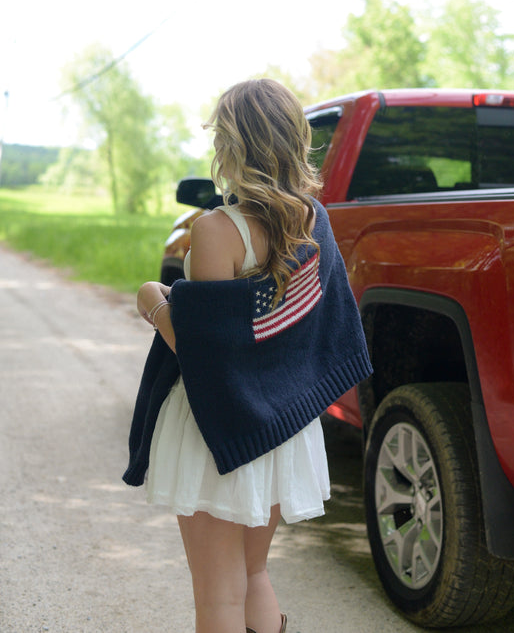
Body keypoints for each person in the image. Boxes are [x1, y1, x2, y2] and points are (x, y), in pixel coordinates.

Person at [123, 78, 372, 633]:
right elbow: (300, 330)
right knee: (254, 572)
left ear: (231, 146)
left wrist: (154, 303)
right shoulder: (314, 219)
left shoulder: (217, 229)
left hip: (221, 428)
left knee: (217, 598)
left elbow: (210, 355)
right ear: (294, 141)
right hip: (282, 425)